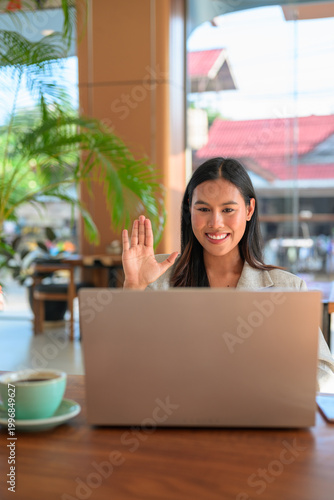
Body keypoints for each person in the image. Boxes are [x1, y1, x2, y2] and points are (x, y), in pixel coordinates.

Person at [122, 157, 334, 392]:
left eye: (228, 210)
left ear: (249, 210)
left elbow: (323, 372)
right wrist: (134, 285)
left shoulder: (288, 288)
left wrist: (274, 391)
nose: (215, 222)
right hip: (173, 415)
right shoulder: (156, 276)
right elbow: (121, 360)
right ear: (189, 209)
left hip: (258, 416)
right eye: (203, 209)